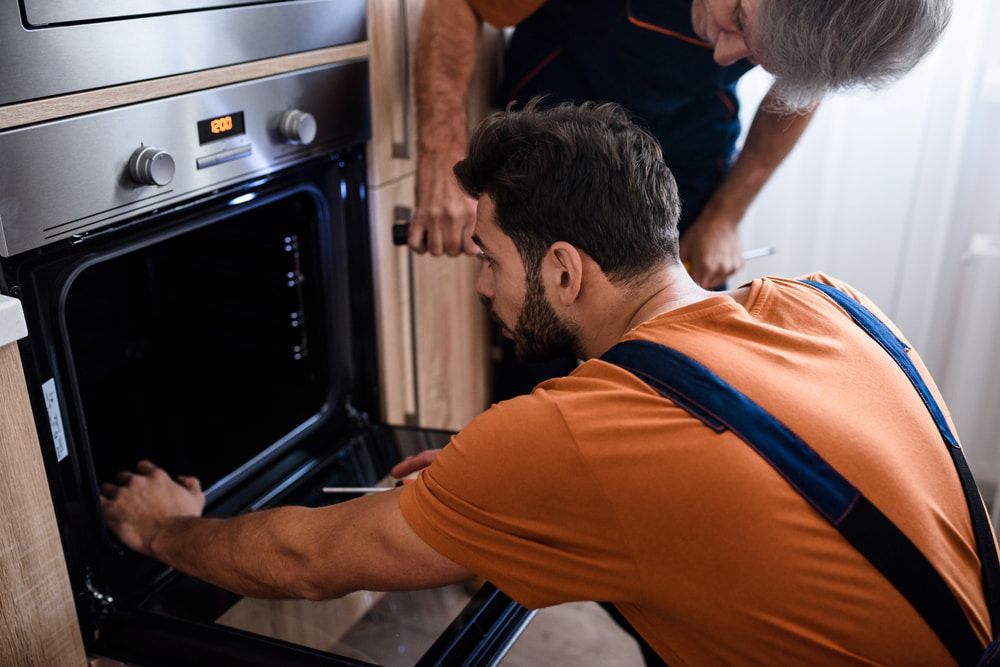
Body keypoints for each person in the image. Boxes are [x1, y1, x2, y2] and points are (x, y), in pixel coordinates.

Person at [103, 102, 993, 664]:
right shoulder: (829, 301)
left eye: (488, 259)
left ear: (565, 271)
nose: (480, 284)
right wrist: (500, 488)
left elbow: (308, 561)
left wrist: (168, 529)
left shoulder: (577, 433)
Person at [410, 0, 953, 288]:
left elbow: (799, 93)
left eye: (756, 56)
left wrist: (725, 216)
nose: (725, 56)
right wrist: (443, 156)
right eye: (737, 20)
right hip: (558, 115)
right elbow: (463, 4)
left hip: (688, 135)